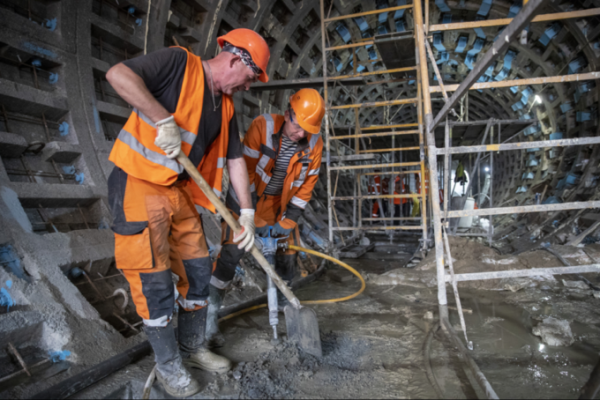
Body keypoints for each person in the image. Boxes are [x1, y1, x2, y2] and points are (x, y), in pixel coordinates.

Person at [105, 28, 269, 397]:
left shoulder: (225, 106)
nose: (247, 87)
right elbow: (118, 74)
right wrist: (163, 120)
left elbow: (236, 159)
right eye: (250, 77)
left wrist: (245, 212)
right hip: (138, 184)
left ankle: (191, 348)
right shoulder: (180, 63)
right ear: (234, 60)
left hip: (178, 191)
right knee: (155, 284)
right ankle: (168, 367)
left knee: (197, 271)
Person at [206, 88, 325, 347]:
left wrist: (284, 225)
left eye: (309, 130)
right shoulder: (263, 126)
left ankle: (286, 317)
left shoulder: (315, 145)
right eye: (298, 126)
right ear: (287, 114)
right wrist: (248, 218)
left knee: (286, 259)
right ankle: (208, 323)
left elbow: (305, 191)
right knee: (229, 258)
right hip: (245, 203)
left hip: (279, 210)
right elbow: (243, 174)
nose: (302, 134)